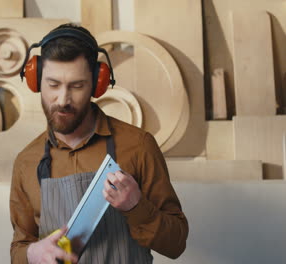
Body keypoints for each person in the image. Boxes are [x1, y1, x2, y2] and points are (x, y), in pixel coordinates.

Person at [10, 23, 188, 264]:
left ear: (97, 84)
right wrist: (31, 253)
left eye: (77, 86)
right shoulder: (26, 162)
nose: (63, 100)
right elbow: (20, 246)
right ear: (36, 82)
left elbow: (176, 244)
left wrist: (136, 206)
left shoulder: (138, 146)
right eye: (53, 85)